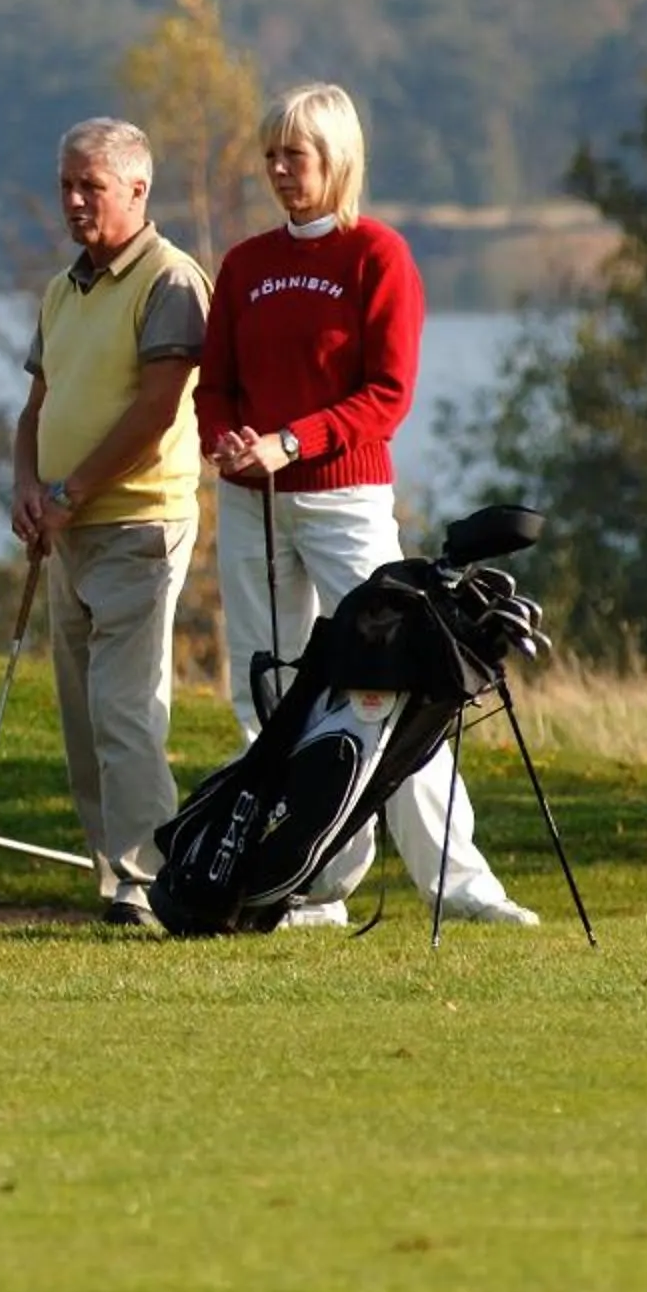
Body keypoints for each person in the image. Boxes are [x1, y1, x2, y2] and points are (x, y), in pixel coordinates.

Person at [194, 82, 539, 928]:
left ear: (337, 159)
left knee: (393, 684)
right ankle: (297, 883)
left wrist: (292, 442)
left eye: (294, 155)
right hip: (252, 504)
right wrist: (227, 441)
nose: (278, 170)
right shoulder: (244, 265)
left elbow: (385, 396)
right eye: (270, 155)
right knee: (269, 692)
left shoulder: (377, 256)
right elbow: (216, 387)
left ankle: (459, 886)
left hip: (344, 500)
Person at [12, 118, 213, 930]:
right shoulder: (64, 290)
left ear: (137, 189)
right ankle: (116, 881)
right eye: (65, 185)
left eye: (89, 186)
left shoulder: (171, 280)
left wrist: (73, 491)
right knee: (83, 719)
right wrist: (28, 488)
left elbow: (157, 410)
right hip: (68, 530)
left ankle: (149, 886)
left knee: (124, 711)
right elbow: (36, 408)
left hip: (138, 523)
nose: (72, 201)